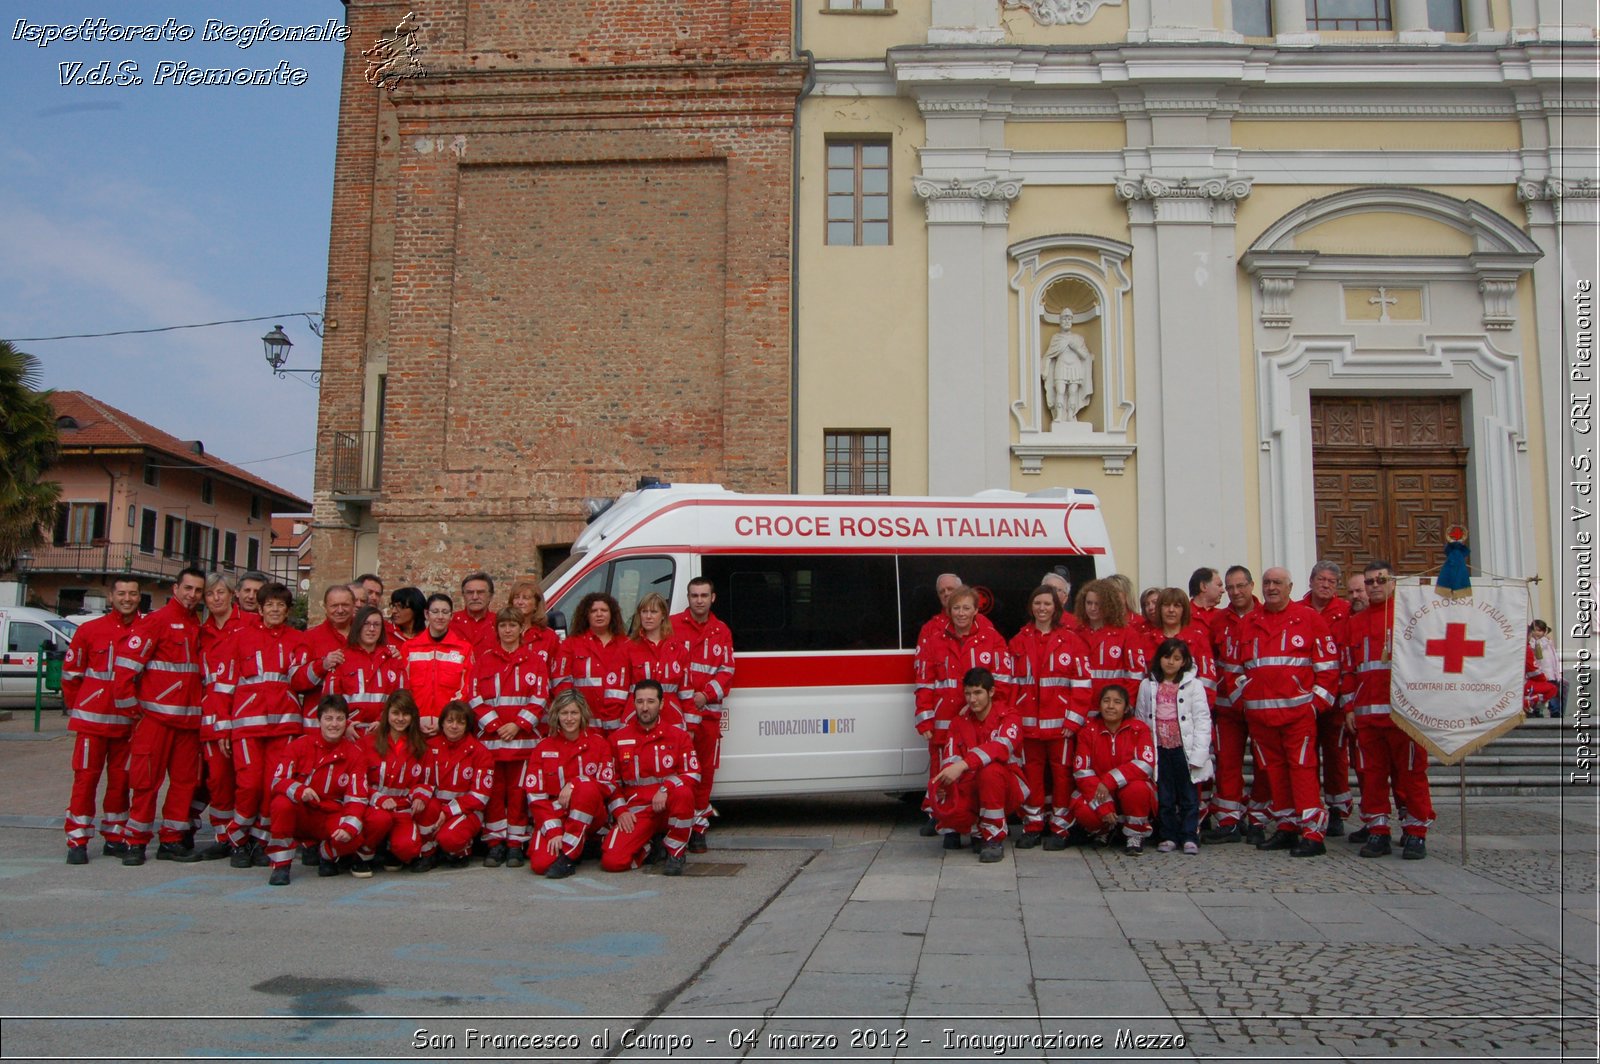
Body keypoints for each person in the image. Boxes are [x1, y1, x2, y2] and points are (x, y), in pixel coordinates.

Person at [1227, 567, 1337, 858]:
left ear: (1290, 586)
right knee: (1274, 774)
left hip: (1297, 717)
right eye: (1267, 583)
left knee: (1302, 772)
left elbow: (1328, 669)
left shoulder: (1309, 619)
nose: (1271, 587)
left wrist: (1315, 706)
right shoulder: (1249, 622)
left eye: (1277, 582)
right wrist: (1245, 703)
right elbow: (1234, 670)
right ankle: (1287, 827)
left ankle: (1313, 833)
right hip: (1261, 719)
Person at [114, 567, 208, 866]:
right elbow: (125, 672)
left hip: (188, 724)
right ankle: (135, 843)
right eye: (188, 588)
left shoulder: (197, 625)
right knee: (145, 784)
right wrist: (135, 712)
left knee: (184, 784)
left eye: (198, 590)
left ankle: (171, 840)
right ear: (175, 588)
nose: (192, 595)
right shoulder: (156, 622)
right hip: (156, 721)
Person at [1340, 561, 1434, 859]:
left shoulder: (1411, 617)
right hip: (1367, 714)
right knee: (1372, 777)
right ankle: (1378, 830)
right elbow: (1350, 668)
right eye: (1369, 582)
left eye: (1381, 580)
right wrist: (1349, 707)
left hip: (1404, 714)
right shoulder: (1355, 623)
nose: (1374, 586)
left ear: (1393, 582)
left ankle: (1416, 831)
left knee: (1411, 775)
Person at [221, 582, 311, 867]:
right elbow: (222, 687)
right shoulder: (239, 638)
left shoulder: (298, 639)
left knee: (273, 786)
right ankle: (237, 837)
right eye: (269, 604)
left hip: (284, 725)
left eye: (280, 605)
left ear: (287, 611)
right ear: (259, 609)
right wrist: (222, 726)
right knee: (248, 785)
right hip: (247, 726)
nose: (275, 609)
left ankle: (262, 840)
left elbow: (301, 680)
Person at [914, 585, 1015, 835]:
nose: (961, 613)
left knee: (977, 768)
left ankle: (976, 817)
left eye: (966, 608)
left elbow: (1002, 681)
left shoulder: (992, 638)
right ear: (948, 610)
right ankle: (940, 816)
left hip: (979, 718)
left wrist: (988, 709)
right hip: (944, 717)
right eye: (956, 608)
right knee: (941, 765)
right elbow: (924, 682)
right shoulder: (935, 640)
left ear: (976, 610)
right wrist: (924, 719)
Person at [62, 576, 142, 863]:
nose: (127, 599)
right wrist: (78, 708)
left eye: (132, 594)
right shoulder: (90, 630)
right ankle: (78, 839)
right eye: (121, 593)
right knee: (86, 780)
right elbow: (71, 674)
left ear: (139, 597)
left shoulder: (147, 630)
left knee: (121, 781)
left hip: (127, 723)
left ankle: (115, 834)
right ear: (111, 597)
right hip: (92, 724)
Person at [1009, 586, 1087, 849]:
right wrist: (1012, 720)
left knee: (1062, 776)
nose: (1042, 608)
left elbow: (1082, 684)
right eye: (1037, 603)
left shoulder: (1072, 640)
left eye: (1047, 604)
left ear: (1056, 608)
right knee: (1031, 775)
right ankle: (1032, 826)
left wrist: (1073, 720)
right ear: (1031, 606)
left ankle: (1060, 828)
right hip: (1028, 725)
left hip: (1061, 726)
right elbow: (1011, 686)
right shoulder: (1018, 640)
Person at [263, 694, 371, 885]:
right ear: (318, 720)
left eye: (339, 719)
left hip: (329, 816)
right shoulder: (299, 746)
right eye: (328, 718)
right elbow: (277, 781)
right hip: (302, 812)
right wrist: (299, 790)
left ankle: (326, 853)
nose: (334, 724)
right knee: (281, 804)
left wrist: (348, 828)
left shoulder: (355, 755)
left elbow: (357, 798)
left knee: (355, 837)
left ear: (347, 721)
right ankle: (281, 865)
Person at [470, 608, 547, 868]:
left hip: (522, 743)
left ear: (520, 629)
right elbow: (474, 696)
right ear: (497, 629)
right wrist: (494, 725)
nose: (507, 630)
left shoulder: (535, 661)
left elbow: (540, 697)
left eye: (512, 625)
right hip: (490, 743)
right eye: (503, 625)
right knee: (493, 793)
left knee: (517, 795)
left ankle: (515, 844)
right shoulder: (484, 660)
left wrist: (517, 725)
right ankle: (495, 844)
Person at [929, 668, 1026, 863]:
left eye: (978, 693)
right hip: (973, 785)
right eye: (967, 693)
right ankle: (976, 830)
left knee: (989, 772)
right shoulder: (958, 722)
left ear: (991, 692)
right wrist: (945, 787)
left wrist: (964, 765)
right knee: (948, 801)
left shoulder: (1009, 717)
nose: (972, 699)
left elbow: (1000, 748)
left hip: (1008, 787)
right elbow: (950, 760)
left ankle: (993, 838)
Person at [603, 680, 700, 876]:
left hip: (668, 807)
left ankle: (676, 851)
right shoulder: (618, 739)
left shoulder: (678, 736)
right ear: (634, 704)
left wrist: (666, 788)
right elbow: (610, 782)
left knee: (683, 793)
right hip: (637, 811)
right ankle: (650, 848)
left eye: (650, 701)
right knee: (612, 862)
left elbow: (692, 774)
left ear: (662, 704)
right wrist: (620, 811)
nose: (645, 707)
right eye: (639, 702)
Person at [1203, 565, 1267, 844]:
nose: (1235, 592)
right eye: (1229, 587)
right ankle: (1228, 820)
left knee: (1264, 765)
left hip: (1261, 706)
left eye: (1240, 586)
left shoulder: (1266, 617)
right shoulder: (1218, 621)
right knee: (1227, 763)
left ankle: (1258, 819)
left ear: (1252, 585)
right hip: (1227, 707)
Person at [672, 577, 736, 850]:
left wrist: (705, 695)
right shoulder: (672, 625)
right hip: (678, 716)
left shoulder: (721, 630)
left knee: (704, 773)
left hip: (708, 714)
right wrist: (688, 698)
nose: (699, 600)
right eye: (694, 595)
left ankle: (698, 827)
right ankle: (674, 827)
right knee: (675, 770)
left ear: (713, 598)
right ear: (688, 597)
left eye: (704, 595)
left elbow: (727, 670)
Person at [524, 690, 616, 878]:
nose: (569, 718)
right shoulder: (543, 747)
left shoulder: (599, 745)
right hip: (555, 815)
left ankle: (569, 855)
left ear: (582, 714)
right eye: (564, 713)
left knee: (587, 787)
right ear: (556, 715)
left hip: (592, 816)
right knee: (541, 865)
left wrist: (575, 783)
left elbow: (608, 785)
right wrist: (554, 831)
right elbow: (535, 797)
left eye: (574, 713)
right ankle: (583, 846)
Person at [1135, 639, 1213, 854]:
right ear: (1159, 659)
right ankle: (1168, 834)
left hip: (1184, 748)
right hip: (1159, 748)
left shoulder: (1194, 685)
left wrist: (1200, 752)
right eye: (1167, 657)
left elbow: (1202, 719)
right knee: (1165, 795)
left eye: (1177, 658)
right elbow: (1141, 719)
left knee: (1189, 795)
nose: (1171, 662)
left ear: (1184, 662)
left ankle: (1189, 835)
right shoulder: (1147, 685)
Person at [194, 573, 252, 858]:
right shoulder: (201, 632)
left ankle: (246, 834)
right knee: (217, 780)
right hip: (211, 719)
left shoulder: (250, 624)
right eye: (210, 594)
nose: (216, 598)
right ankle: (223, 834)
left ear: (232, 594)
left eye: (221, 592)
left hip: (244, 715)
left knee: (245, 779)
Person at [1069, 684, 1156, 854]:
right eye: (1106, 701)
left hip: (1125, 788)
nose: (1110, 706)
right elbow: (1082, 772)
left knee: (1138, 789)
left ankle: (1134, 834)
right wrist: (1105, 805)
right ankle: (1104, 830)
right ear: (1099, 705)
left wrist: (1110, 780)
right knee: (1084, 810)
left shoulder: (1139, 729)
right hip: (1098, 790)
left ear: (1125, 708)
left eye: (1117, 702)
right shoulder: (1088, 731)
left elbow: (1145, 764)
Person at [1300, 560, 1353, 835]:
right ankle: (1307, 807)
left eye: (1332, 582)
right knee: (1305, 758)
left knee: (1336, 757)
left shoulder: (1346, 611)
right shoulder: (1296, 610)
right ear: (1311, 581)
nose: (1326, 585)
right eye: (1321, 579)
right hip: (1303, 698)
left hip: (1335, 700)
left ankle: (1336, 810)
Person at [359, 690, 434, 872]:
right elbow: (358, 781)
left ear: (413, 717)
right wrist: (379, 798)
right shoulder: (368, 742)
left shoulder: (421, 746)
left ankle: (392, 848)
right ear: (387, 715)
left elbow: (427, 780)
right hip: (374, 807)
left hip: (403, 809)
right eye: (395, 713)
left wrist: (420, 797)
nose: (400, 719)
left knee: (407, 850)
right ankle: (364, 855)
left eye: (405, 714)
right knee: (379, 820)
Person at [419, 700, 494, 868]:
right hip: (436, 808)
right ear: (442, 723)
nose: (454, 726)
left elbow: (480, 797)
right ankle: (428, 852)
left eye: (460, 722)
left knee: (449, 839)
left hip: (466, 811)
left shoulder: (480, 752)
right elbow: (420, 782)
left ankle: (460, 851)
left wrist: (448, 811)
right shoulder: (429, 747)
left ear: (468, 725)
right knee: (422, 806)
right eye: (450, 721)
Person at [557, 592, 633, 733]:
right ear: (586, 615)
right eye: (594, 611)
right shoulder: (571, 644)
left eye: (604, 610)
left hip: (618, 724)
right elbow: (561, 683)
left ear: (612, 614)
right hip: (582, 724)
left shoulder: (626, 644)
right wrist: (572, 712)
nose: (599, 614)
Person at [401, 593, 475, 734]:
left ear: (451, 616)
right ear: (426, 614)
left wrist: (445, 722)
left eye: (445, 612)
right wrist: (413, 719)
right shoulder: (410, 647)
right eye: (435, 612)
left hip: (450, 727)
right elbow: (404, 686)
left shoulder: (464, 649)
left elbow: (467, 688)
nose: (440, 616)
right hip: (415, 726)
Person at [324, 605, 404, 734]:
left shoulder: (393, 659)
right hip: (350, 733)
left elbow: (402, 698)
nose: (371, 629)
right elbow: (330, 700)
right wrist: (345, 726)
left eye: (376, 624)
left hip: (384, 732)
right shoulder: (342, 658)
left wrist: (382, 722)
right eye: (366, 624)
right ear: (358, 626)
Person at [1073, 577, 1146, 710]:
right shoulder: (1075, 633)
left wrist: (1125, 705)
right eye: (1089, 603)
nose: (1093, 608)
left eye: (1098, 604)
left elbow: (1135, 675)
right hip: (1082, 707)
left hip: (1113, 708)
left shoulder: (1126, 633)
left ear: (1109, 604)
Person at [627, 592, 687, 728]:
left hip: (671, 719)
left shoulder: (678, 649)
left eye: (653, 612)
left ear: (663, 616)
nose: (648, 616)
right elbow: (617, 694)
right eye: (644, 611)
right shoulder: (628, 648)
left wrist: (691, 726)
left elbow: (686, 693)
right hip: (637, 718)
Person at [297, 585, 359, 700]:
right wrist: (322, 665)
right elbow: (296, 681)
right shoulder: (311, 637)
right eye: (334, 606)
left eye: (345, 605)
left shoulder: (365, 635)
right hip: (320, 714)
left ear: (354, 606)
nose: (340, 610)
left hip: (356, 714)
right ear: (325, 607)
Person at [1041, 307, 1094, 424]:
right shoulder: (1056, 338)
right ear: (1060, 321)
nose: (1067, 321)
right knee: (1060, 390)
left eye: (1069, 319)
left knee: (1073, 391)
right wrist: (1045, 369)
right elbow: (1049, 355)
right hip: (1061, 365)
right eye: (1064, 319)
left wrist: (1075, 347)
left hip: (1075, 366)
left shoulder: (1078, 338)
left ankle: (1070, 416)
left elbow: (1085, 356)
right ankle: (1059, 416)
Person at [509, 577, 562, 683]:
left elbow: (556, 674)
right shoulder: (503, 633)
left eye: (526, 598)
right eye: (516, 597)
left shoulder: (549, 637)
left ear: (536, 605)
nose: (520, 602)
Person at [449, 571, 498, 653]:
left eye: (480, 592)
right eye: (470, 592)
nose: (475, 597)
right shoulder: (450, 622)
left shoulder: (499, 623)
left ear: (490, 596)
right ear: (463, 596)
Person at [1528, 620, 1562, 717]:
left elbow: (1554, 658)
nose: (1537, 633)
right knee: (1540, 693)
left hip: (1551, 673)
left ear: (1544, 631)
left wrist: (1557, 673)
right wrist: (1544, 638)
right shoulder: (1533, 642)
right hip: (1542, 673)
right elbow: (1538, 649)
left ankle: (1555, 710)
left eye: (1540, 631)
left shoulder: (1548, 642)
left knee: (1553, 693)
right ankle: (1537, 710)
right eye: (1535, 630)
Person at [1187, 567, 1224, 631]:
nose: (1223, 590)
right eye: (1219, 585)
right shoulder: (1183, 615)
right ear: (1203, 586)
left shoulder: (1223, 616)